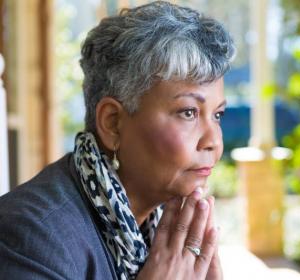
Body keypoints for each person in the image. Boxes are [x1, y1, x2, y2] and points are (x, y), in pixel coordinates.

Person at [0, 1, 235, 279]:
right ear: (112, 123)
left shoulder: (160, 231)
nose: (213, 142)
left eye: (217, 115)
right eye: (188, 112)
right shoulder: (31, 239)